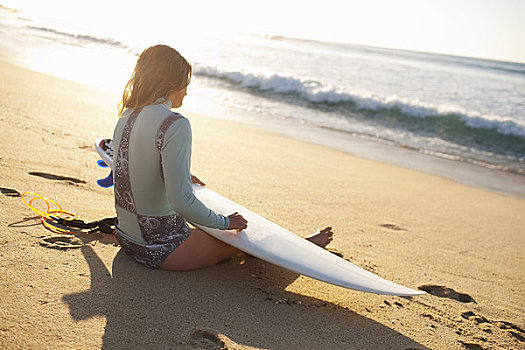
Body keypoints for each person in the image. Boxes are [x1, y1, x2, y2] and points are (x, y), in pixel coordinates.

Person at [113, 44, 333, 271]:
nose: (186, 91)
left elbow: (130, 165)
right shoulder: (174, 124)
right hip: (160, 249)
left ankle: (295, 244)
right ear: (170, 83)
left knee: (217, 228)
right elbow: (182, 203)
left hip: (126, 238)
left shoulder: (127, 114)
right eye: (184, 83)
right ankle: (305, 247)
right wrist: (226, 222)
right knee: (244, 237)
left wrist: (181, 174)